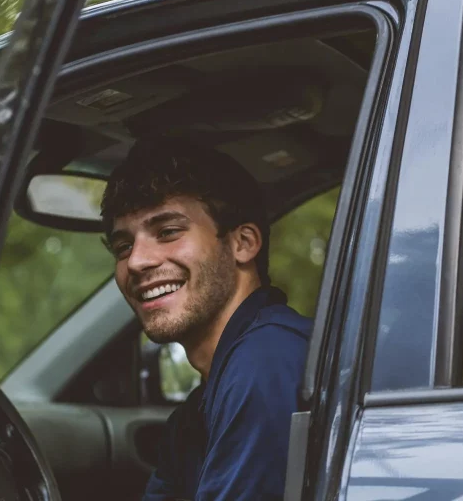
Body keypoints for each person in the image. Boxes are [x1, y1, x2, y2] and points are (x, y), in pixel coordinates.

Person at [100, 137, 313, 501]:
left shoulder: (266, 361)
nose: (136, 261)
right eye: (123, 246)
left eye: (167, 232)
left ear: (242, 243)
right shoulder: (190, 419)